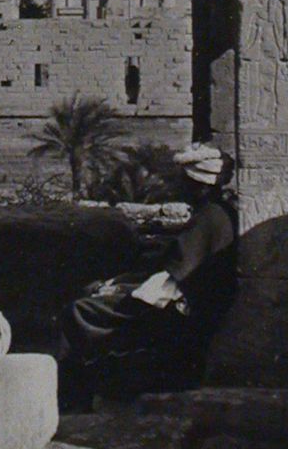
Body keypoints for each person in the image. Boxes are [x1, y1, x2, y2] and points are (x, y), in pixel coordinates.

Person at [57, 143, 237, 410]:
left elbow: (169, 279)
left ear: (200, 185)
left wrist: (115, 288)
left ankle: (73, 398)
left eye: (182, 180)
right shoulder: (216, 213)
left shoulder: (208, 220)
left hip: (179, 314)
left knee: (79, 310)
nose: (177, 186)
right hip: (185, 306)